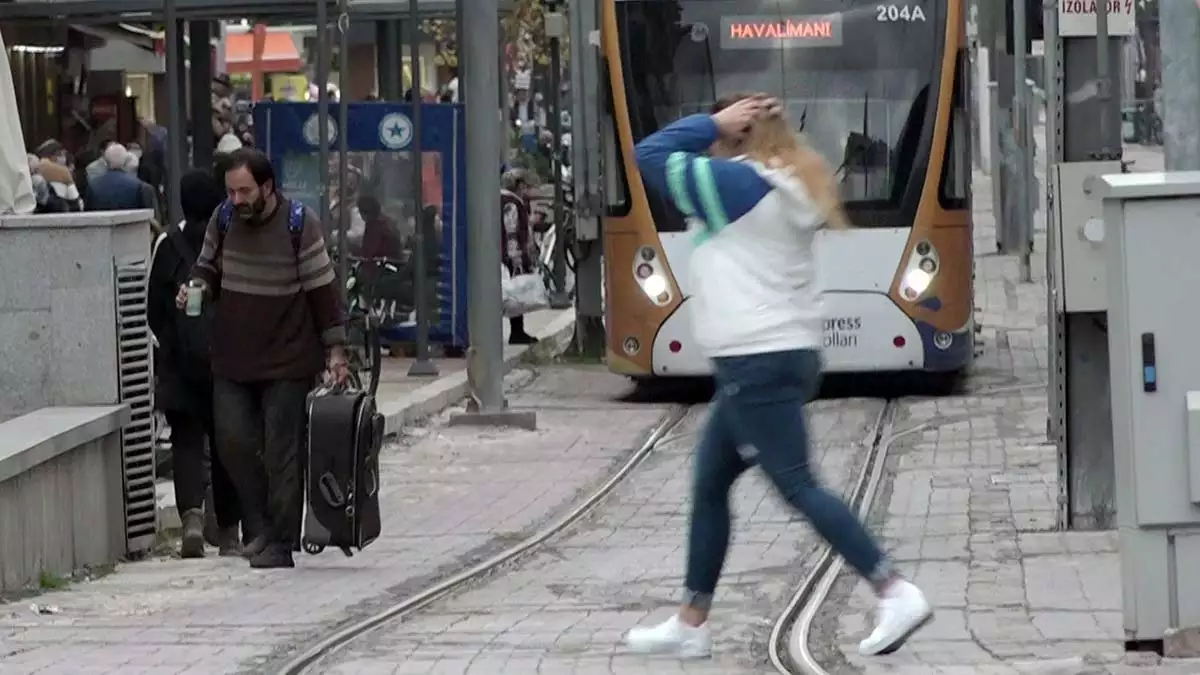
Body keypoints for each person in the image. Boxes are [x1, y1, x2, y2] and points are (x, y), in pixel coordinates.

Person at [622, 94, 932, 659]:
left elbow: (647, 154)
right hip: (780, 353)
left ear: (735, 138)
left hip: (755, 358)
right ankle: (692, 621)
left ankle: (893, 588)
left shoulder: (735, 186)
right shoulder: (786, 182)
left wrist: (709, 120)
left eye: (718, 135)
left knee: (798, 484)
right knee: (711, 481)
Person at [177, 148, 350, 569]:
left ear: (267, 187)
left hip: (288, 358)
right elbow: (207, 269)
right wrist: (194, 287)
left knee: (281, 452)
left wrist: (337, 350)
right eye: (231, 192)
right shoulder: (223, 219)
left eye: (245, 191)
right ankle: (261, 525)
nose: (237, 200)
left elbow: (322, 292)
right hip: (234, 358)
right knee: (233, 443)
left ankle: (281, 541)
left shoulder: (298, 224)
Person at [148, 169, 244, 558]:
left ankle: (190, 515)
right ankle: (227, 528)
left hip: (179, 365)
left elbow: (153, 308)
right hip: (227, 361)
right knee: (228, 445)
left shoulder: (167, 243)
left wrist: (173, 341)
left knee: (186, 441)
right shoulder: (232, 241)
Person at [500, 168, 544, 345]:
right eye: (524, 186)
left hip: (505, 253)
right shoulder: (511, 202)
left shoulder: (502, 199)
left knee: (512, 292)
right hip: (511, 254)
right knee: (515, 292)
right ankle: (516, 332)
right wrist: (516, 256)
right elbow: (511, 229)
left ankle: (517, 331)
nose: (526, 190)